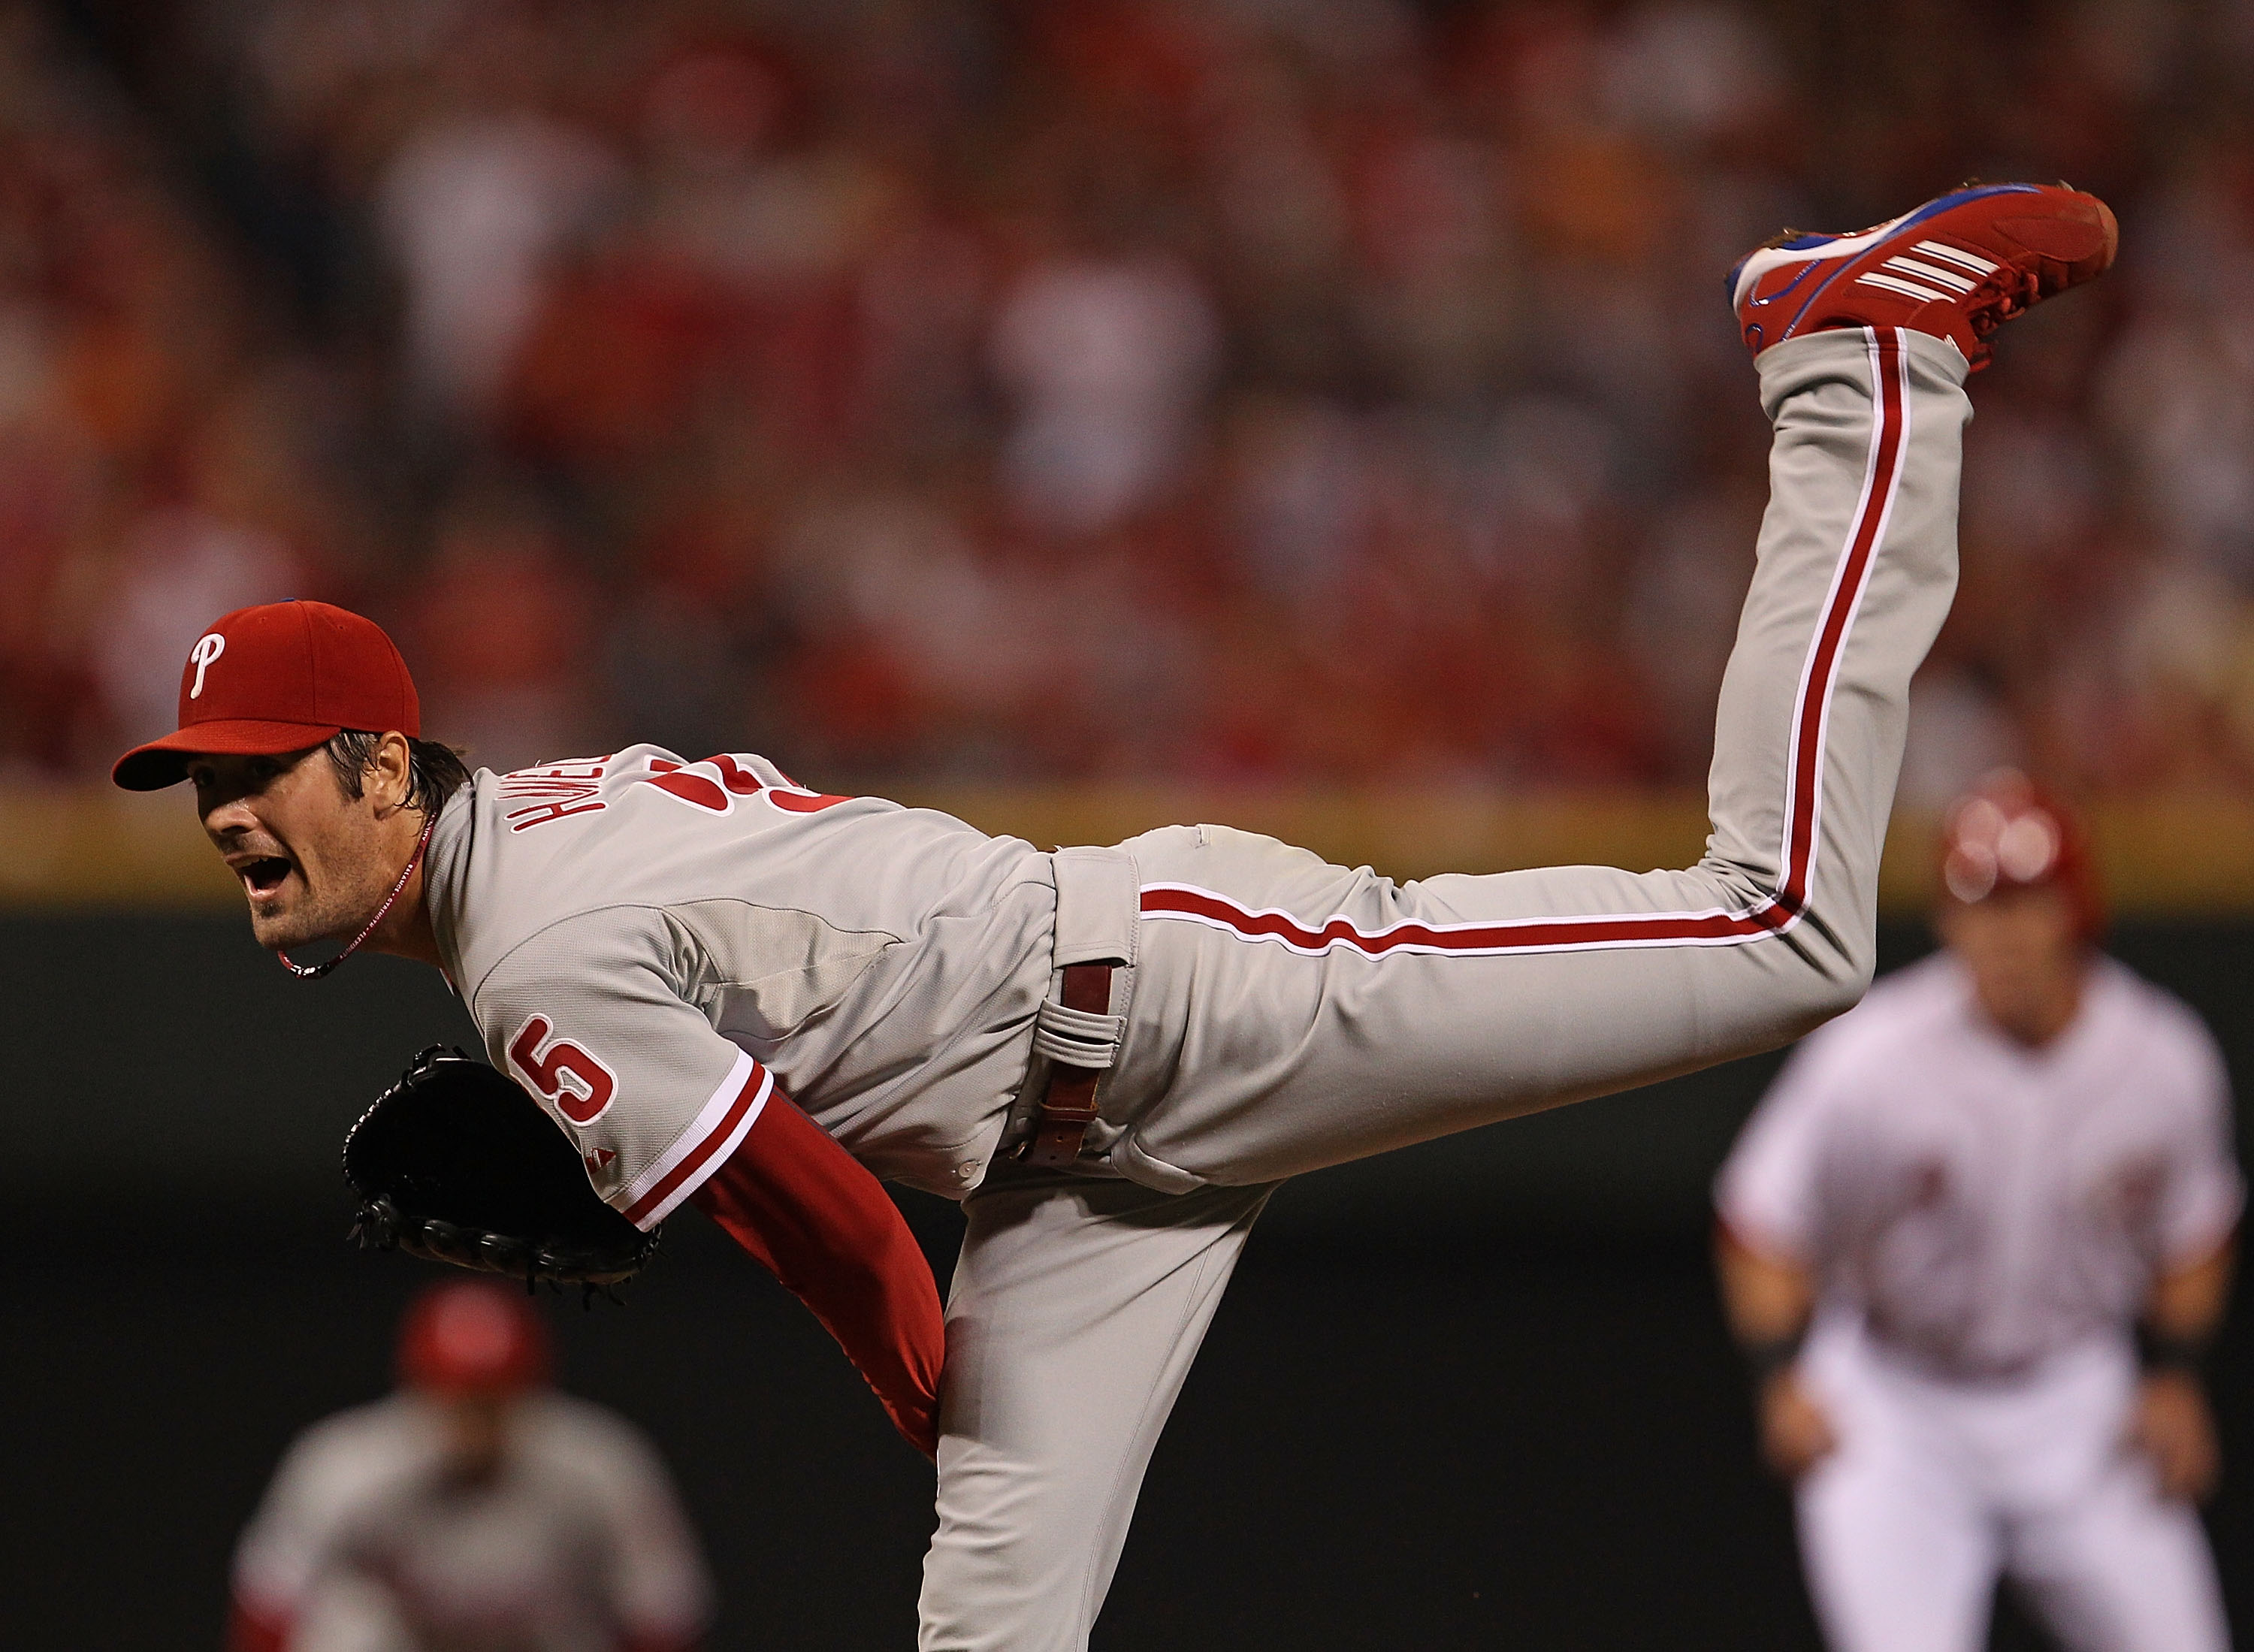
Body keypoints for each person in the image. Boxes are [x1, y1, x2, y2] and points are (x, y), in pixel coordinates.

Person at [120, 183, 2116, 1650]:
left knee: (1786, 927)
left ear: (387, 760)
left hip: (1182, 999)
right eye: (208, 787)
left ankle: (1858, 361)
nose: (233, 815)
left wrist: (932, 1390)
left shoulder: (532, 944)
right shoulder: (544, 824)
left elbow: (807, 1200)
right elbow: (772, 1085)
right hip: (1063, 1178)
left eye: (266, 768)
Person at [1715, 772, 2239, 1652]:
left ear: (2077, 912)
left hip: (2077, 1398)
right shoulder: (1871, 1058)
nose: (2002, 935)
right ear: (1949, 922)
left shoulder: (2163, 1059)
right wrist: (1781, 1373)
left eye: (2025, 903)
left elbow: (2198, 1230)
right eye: (1979, 906)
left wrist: (2176, 1373)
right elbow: (1759, 1219)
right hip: (1897, 1405)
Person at [228, 1279, 712, 1652]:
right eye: (457, 1399)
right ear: (417, 1386)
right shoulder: (344, 1464)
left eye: (494, 1400)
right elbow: (269, 1606)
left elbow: (663, 1614)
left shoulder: (601, 1465)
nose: (475, 1421)